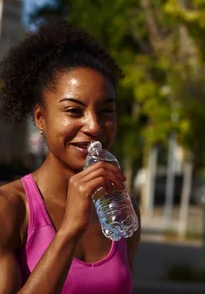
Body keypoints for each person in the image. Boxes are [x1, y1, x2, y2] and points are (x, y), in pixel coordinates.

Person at [0, 19, 140, 294]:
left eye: (106, 111)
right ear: (41, 118)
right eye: (75, 111)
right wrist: (70, 229)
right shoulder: (10, 208)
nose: (94, 126)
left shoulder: (122, 213)